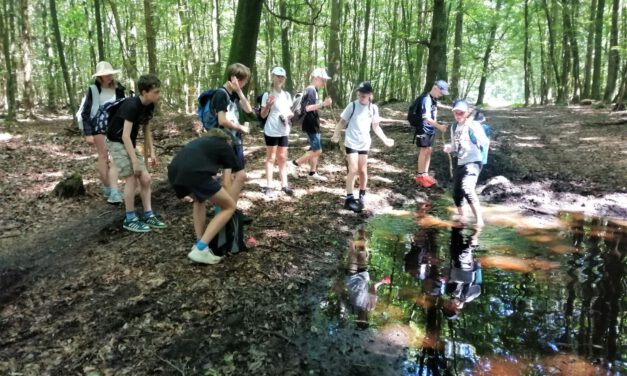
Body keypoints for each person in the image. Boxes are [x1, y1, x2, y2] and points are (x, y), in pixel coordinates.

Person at [106, 74, 166, 232]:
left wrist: (152, 152)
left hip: (128, 142)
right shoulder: (131, 105)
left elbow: (146, 129)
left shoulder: (149, 105)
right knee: (131, 178)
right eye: (156, 92)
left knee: (145, 178)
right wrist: (134, 161)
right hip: (116, 141)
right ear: (145, 92)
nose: (159, 95)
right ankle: (130, 218)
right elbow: (124, 135)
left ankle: (148, 213)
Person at [168, 129, 238, 264]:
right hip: (194, 174)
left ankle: (199, 242)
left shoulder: (201, 142)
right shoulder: (226, 146)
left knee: (199, 200)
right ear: (228, 140)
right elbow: (226, 182)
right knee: (230, 207)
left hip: (174, 173)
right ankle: (201, 249)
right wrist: (228, 202)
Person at [332, 81, 394, 212]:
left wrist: (385, 139)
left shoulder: (373, 108)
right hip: (351, 141)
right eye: (359, 94)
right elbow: (342, 122)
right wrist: (336, 134)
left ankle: (362, 195)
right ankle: (349, 199)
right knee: (353, 169)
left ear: (370, 95)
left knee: (363, 171)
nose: (361, 97)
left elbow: (376, 127)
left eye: (364, 95)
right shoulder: (352, 106)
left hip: (364, 143)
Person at [80, 61, 125, 203]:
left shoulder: (119, 88)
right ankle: (110, 188)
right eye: (106, 74)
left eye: (110, 73)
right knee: (103, 156)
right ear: (100, 77)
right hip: (99, 127)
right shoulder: (93, 89)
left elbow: (124, 107)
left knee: (116, 157)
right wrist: (88, 133)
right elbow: (85, 113)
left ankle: (113, 189)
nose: (109, 76)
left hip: (116, 125)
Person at [212, 63, 254, 204]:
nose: (244, 84)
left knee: (237, 176)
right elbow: (222, 120)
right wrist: (240, 128)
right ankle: (227, 209)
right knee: (233, 177)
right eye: (243, 81)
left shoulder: (233, 94)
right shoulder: (221, 94)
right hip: (226, 141)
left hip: (235, 141)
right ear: (234, 78)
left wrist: (239, 92)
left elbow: (248, 110)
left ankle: (229, 209)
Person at [443, 100, 489, 227]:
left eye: (461, 113)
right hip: (461, 162)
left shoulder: (474, 125)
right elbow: (454, 146)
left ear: (467, 113)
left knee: (467, 188)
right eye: (455, 113)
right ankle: (462, 216)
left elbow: (484, 141)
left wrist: (473, 130)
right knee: (456, 193)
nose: (458, 115)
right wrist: (449, 148)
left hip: (474, 162)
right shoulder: (454, 127)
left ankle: (479, 222)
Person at [290, 68, 333, 181]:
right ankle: (294, 163)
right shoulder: (311, 90)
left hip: (314, 122)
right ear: (316, 78)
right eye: (323, 79)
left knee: (314, 148)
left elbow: (311, 108)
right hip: (310, 124)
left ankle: (312, 173)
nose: (325, 82)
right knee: (317, 150)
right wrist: (324, 104)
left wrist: (320, 119)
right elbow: (307, 108)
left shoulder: (314, 90)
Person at [260, 67, 295, 197]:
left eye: (282, 77)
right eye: (277, 76)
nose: (280, 79)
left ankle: (284, 185)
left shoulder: (286, 95)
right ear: (272, 77)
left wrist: (290, 115)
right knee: (271, 158)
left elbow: (288, 111)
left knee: (282, 157)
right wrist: (268, 105)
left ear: (284, 79)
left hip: (284, 130)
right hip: (271, 129)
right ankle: (269, 185)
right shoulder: (267, 95)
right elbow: (263, 115)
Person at [441, 226, 482, 320]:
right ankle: (478, 228)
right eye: (449, 308)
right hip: (466, 268)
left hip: (455, 265)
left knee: (455, 239)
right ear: (456, 310)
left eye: (446, 307)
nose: (447, 305)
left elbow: (448, 275)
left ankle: (459, 223)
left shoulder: (448, 293)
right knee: (466, 250)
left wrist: (445, 272)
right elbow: (478, 289)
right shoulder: (466, 298)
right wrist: (462, 299)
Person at [414, 80, 449, 188]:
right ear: (436, 88)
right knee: (424, 150)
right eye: (441, 92)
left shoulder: (434, 100)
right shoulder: (426, 99)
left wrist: (437, 126)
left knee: (429, 150)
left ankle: (425, 174)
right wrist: (439, 126)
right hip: (423, 129)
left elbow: (432, 116)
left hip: (431, 129)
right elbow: (426, 118)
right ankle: (420, 176)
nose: (441, 95)